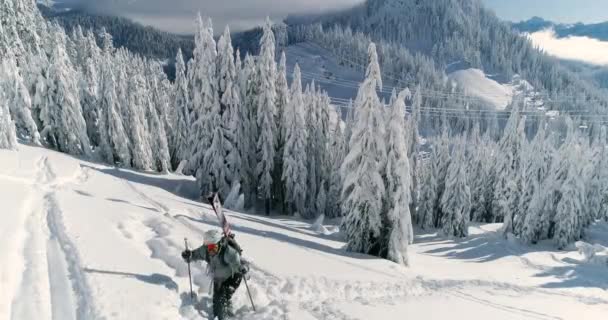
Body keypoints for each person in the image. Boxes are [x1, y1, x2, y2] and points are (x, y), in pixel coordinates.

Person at [181, 229, 249, 319]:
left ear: (219, 244)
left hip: (232, 277)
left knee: (224, 295)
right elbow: (193, 255)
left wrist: (243, 268)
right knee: (217, 304)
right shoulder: (205, 250)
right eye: (208, 247)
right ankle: (225, 313)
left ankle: (226, 316)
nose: (210, 250)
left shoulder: (229, 252)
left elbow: (240, 264)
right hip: (218, 278)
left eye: (213, 247)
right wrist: (188, 256)